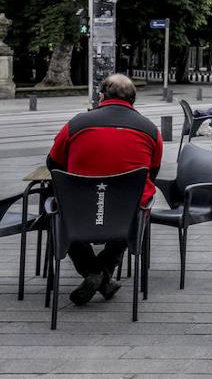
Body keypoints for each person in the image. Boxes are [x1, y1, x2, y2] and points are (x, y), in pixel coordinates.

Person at [46, 74, 163, 306]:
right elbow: (152, 171)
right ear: (133, 100)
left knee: (56, 210)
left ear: (101, 96)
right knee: (136, 206)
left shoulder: (76, 124)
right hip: (126, 213)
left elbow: (53, 163)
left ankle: (93, 272)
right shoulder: (150, 130)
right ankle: (105, 273)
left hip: (79, 210)